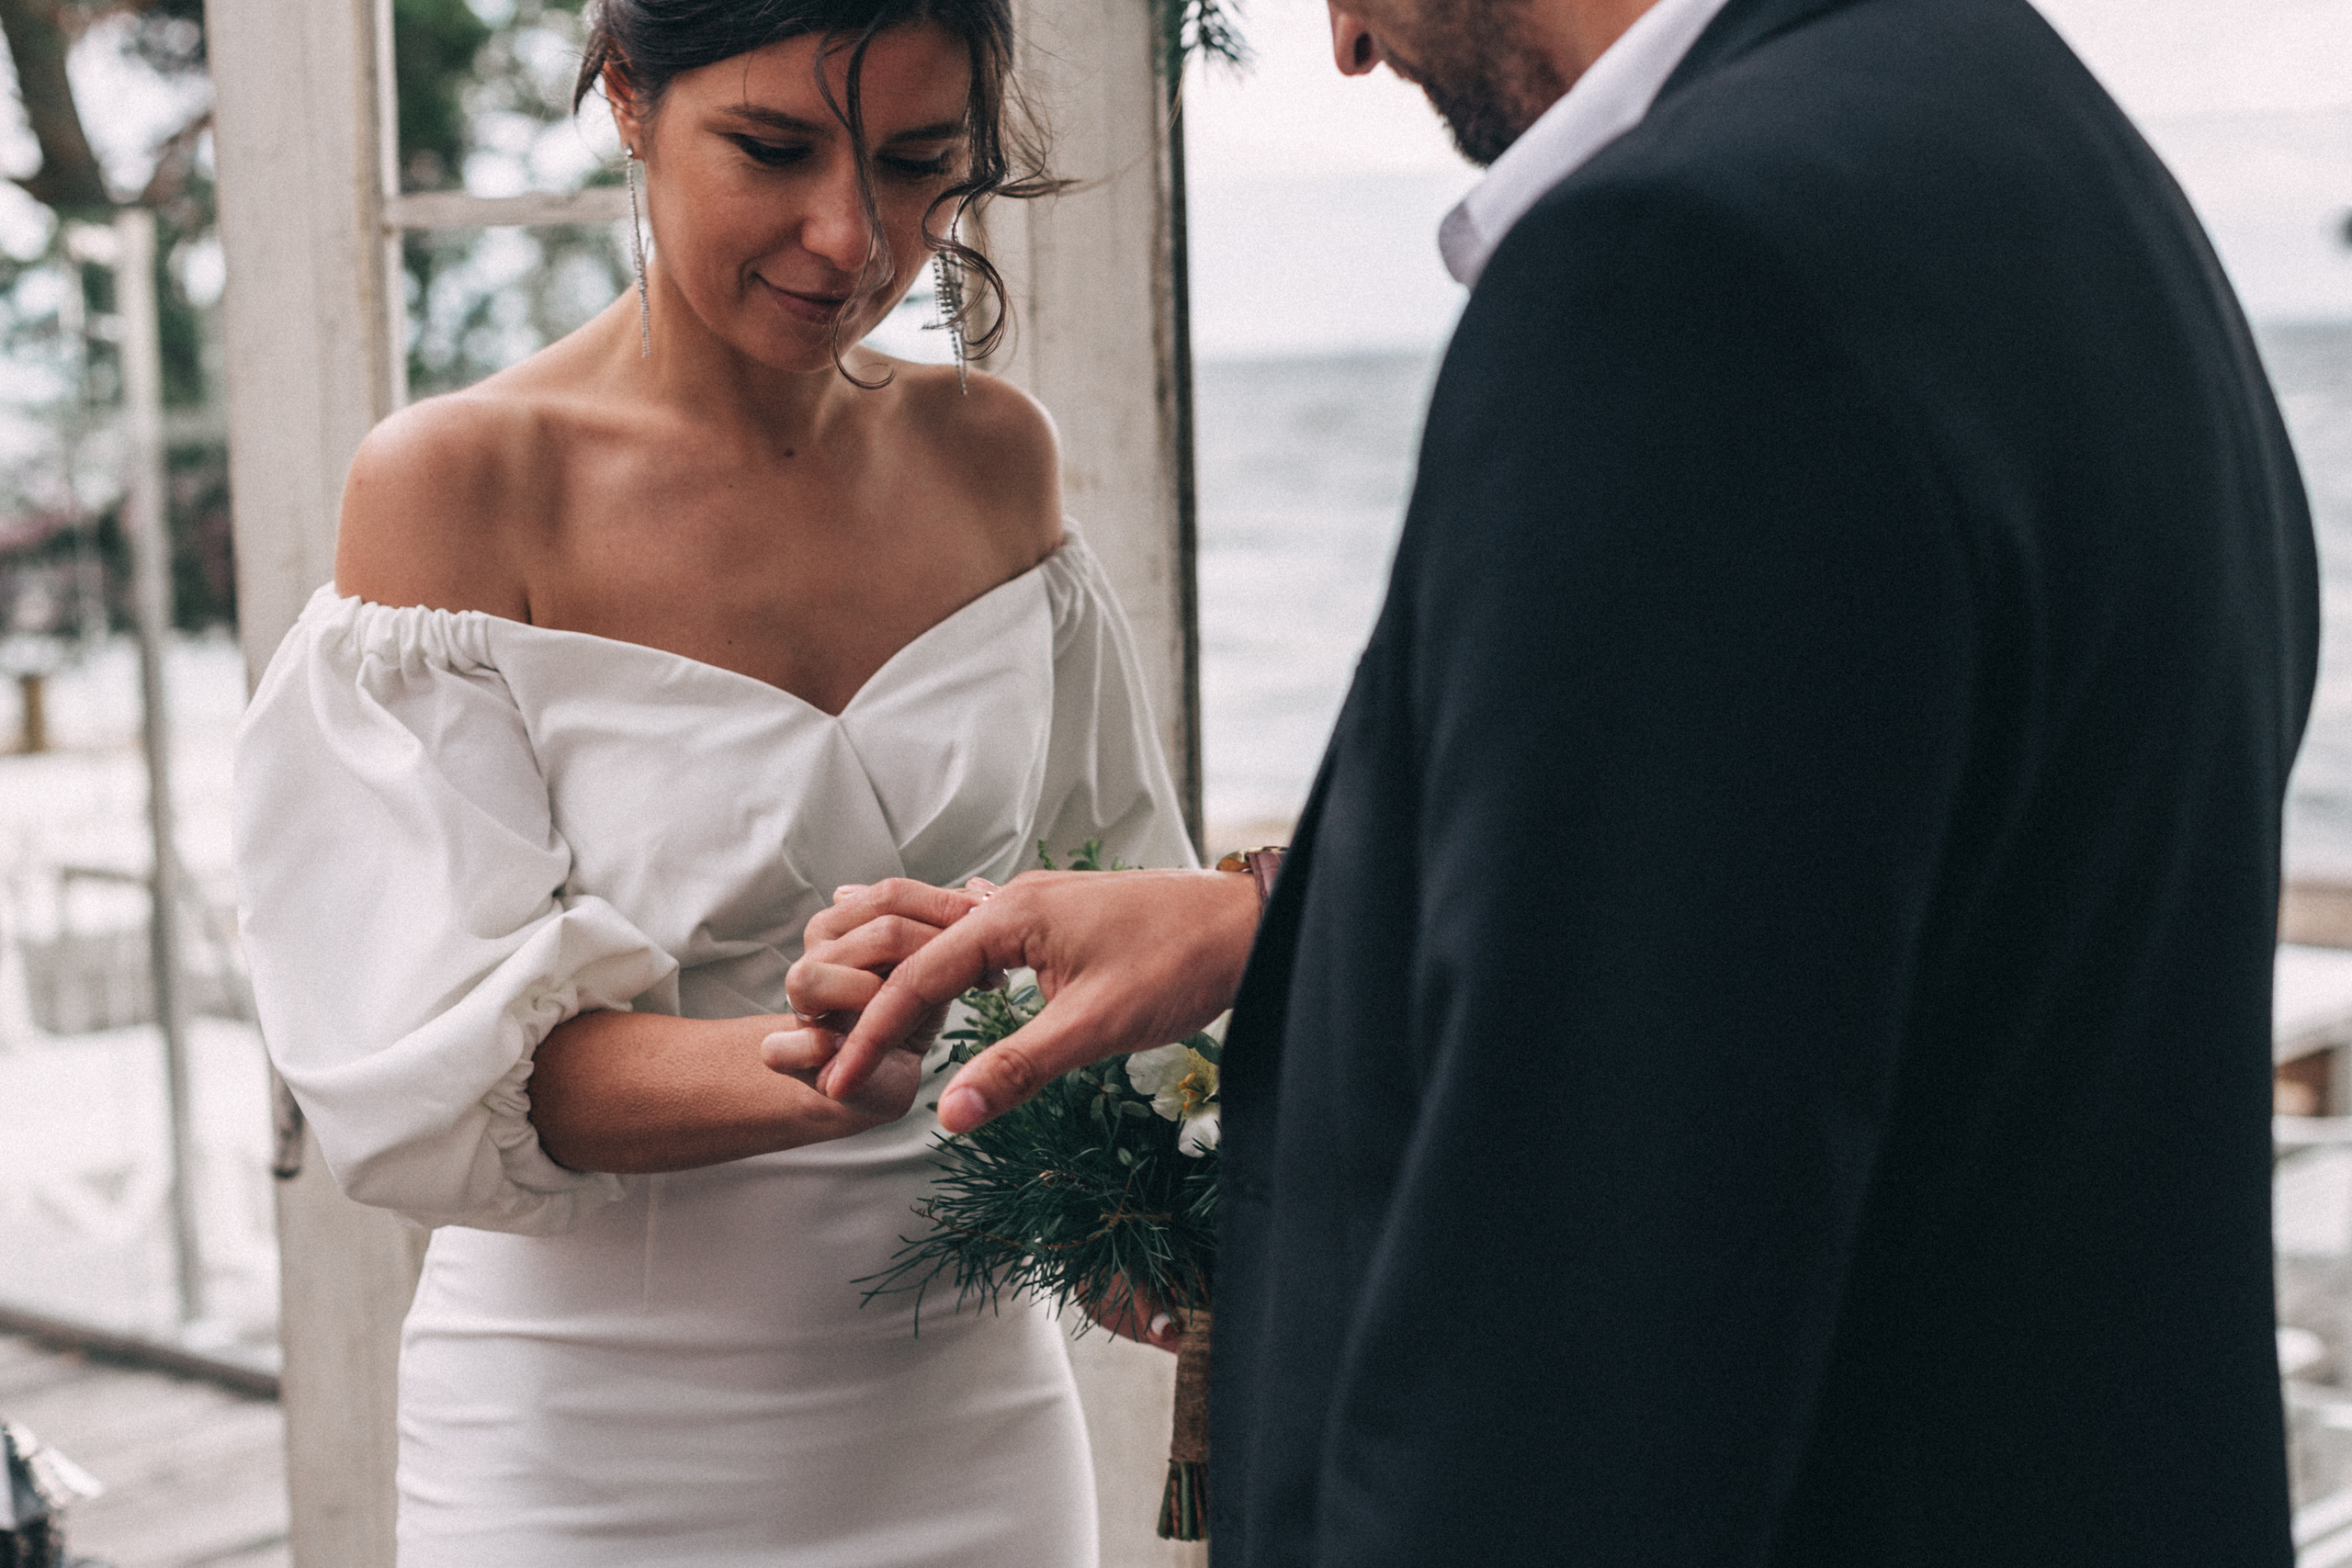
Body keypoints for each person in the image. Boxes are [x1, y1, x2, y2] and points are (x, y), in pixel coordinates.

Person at [777, 0, 2319, 1561]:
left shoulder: (1687, 276)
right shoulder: (2051, 159)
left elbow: (1580, 1313)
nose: (1348, 42)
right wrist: (1269, 922)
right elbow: (1823, 921)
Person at [231, 1, 1195, 1562]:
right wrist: (816, 1060)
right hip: (592, 1445)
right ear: (629, 97)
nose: (853, 237)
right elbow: (434, 1058)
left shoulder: (994, 455)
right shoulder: (463, 486)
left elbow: (1117, 904)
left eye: (916, 163)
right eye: (774, 147)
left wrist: (1148, 1207)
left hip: (970, 1423)